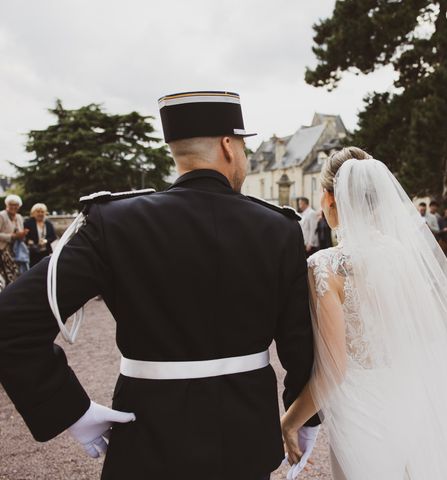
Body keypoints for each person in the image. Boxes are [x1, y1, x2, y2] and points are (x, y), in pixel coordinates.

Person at [0, 90, 318, 480]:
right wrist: (307, 419)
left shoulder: (113, 222)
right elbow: (300, 341)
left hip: (147, 436)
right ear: (229, 146)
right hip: (245, 436)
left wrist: (73, 411)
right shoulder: (279, 228)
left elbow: (11, 320)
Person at [279, 147, 447, 480]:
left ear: (330, 199)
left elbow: (334, 370)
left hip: (362, 414)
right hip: (411, 402)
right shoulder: (401, 254)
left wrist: (289, 422)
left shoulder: (325, 266)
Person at [0, 194, 29, 286]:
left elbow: (20, 236)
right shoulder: (2, 216)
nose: (13, 207)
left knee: (18, 274)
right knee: (7, 276)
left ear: (19, 206)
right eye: (11, 204)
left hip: (16, 251)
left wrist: (22, 235)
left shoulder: (19, 217)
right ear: (6, 205)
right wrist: (12, 236)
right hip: (3, 251)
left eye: (16, 205)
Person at [24, 203, 57, 267]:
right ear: (33, 213)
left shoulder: (48, 223)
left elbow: (53, 236)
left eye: (42, 212)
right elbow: (24, 237)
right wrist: (28, 241)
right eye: (38, 212)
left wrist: (46, 241)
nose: (40, 214)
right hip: (32, 252)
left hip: (46, 252)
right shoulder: (28, 223)